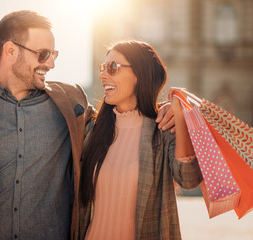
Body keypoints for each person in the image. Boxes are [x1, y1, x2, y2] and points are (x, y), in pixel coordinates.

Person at [0, 11, 174, 239]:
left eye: (54, 54)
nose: (52, 63)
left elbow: (122, 116)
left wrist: (168, 108)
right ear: (10, 51)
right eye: (44, 54)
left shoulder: (72, 101)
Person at [78, 40, 204, 240]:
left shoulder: (162, 130)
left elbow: (189, 179)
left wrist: (180, 116)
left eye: (113, 68)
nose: (103, 75)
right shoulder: (92, 130)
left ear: (140, 74)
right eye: (103, 68)